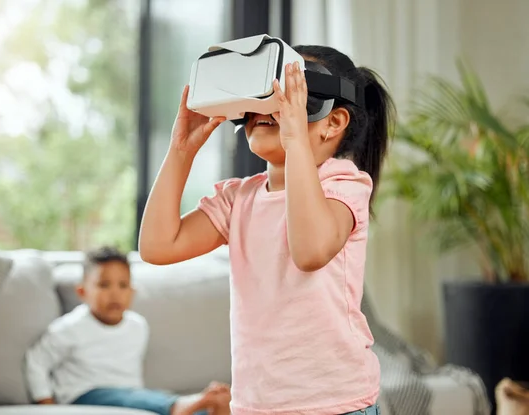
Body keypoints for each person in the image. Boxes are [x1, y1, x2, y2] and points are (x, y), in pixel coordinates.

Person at [139, 44, 395, 415]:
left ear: (333, 122)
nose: (269, 106)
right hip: (257, 405)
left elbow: (309, 252)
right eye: (264, 93)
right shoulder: (238, 198)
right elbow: (158, 246)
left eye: (289, 95)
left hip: (334, 403)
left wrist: (294, 142)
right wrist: (181, 151)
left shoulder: (344, 185)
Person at [25, 246, 231, 415]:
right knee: (138, 399)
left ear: (132, 291)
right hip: (83, 395)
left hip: (131, 395)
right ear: (82, 292)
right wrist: (46, 402)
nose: (115, 294)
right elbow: (36, 361)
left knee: (145, 398)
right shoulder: (70, 328)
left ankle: (209, 409)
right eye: (104, 285)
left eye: (123, 285)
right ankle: (179, 405)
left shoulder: (137, 326)